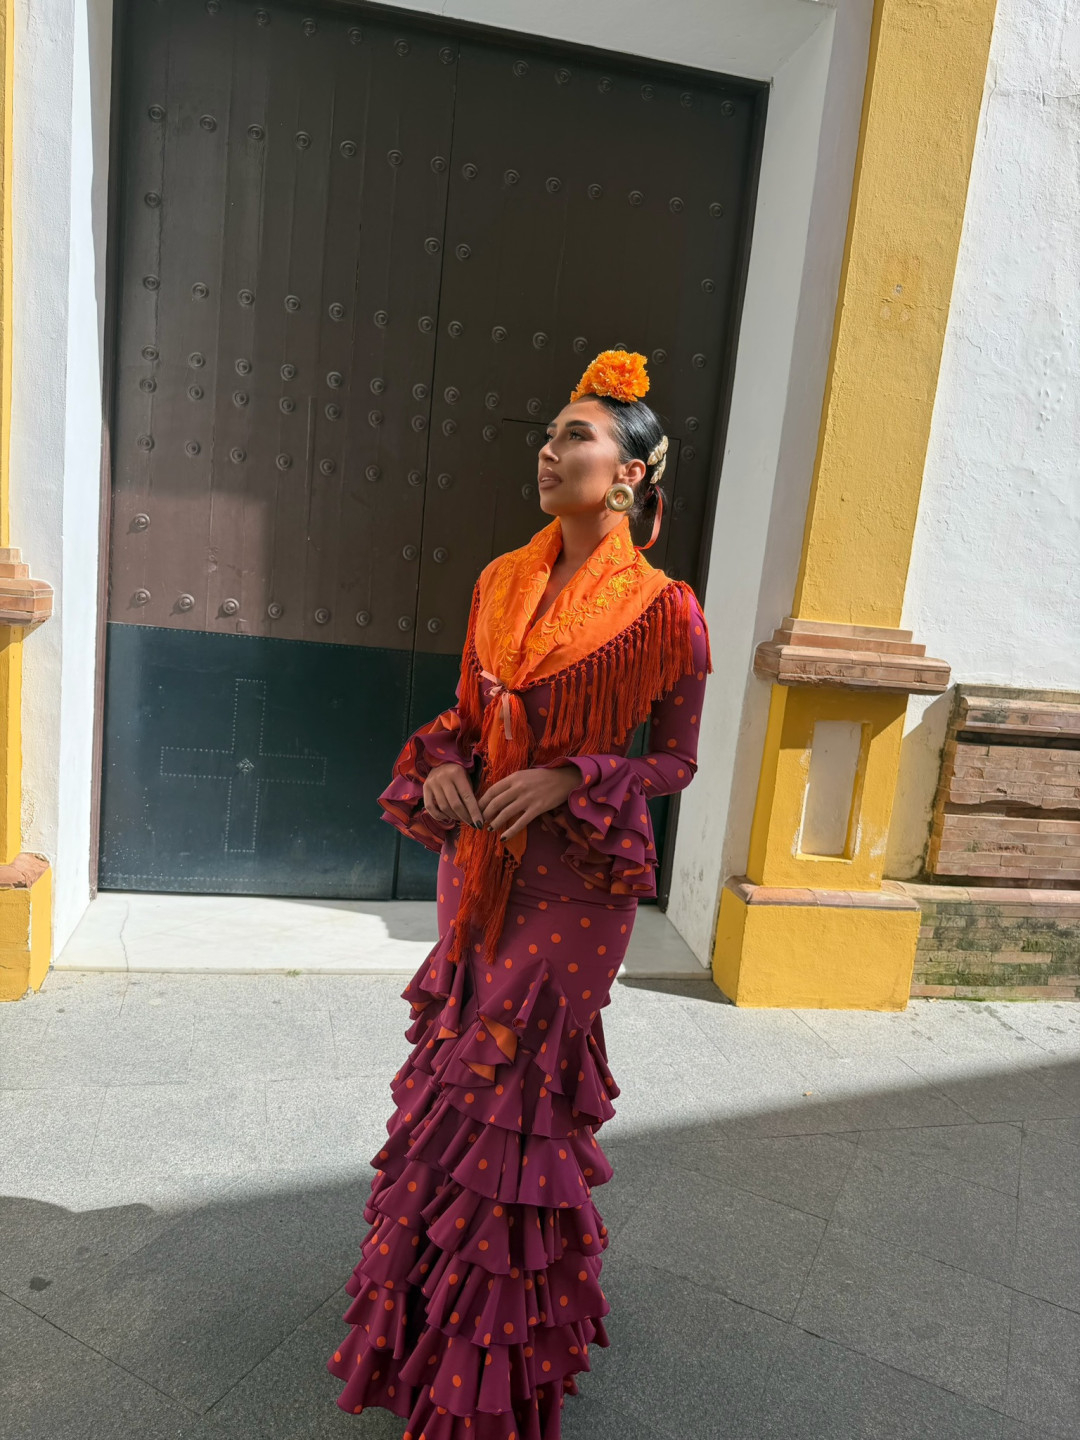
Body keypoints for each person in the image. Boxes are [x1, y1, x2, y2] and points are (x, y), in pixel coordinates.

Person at [328, 349, 712, 1439]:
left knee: (520, 1101)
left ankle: (496, 1370)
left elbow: (675, 766)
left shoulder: (664, 612)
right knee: (454, 1085)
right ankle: (421, 1330)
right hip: (478, 861)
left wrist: (576, 773)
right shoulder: (499, 578)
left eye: (576, 438)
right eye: (547, 436)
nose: (550, 452)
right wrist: (447, 762)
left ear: (631, 475)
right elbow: (461, 714)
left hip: (576, 883)